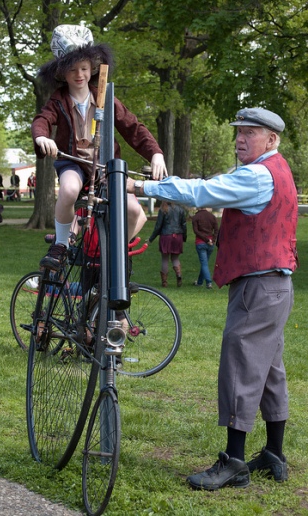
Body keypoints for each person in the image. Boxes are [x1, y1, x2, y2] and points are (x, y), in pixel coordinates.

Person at [127, 108, 298, 489]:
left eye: (250, 133)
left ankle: (234, 461)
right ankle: (273, 453)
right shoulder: (278, 169)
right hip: (275, 285)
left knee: (239, 363)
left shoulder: (257, 175)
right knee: (270, 369)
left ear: (271, 140)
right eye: (238, 131)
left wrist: (142, 187)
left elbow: (201, 191)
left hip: (259, 285)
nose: (240, 139)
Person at [32, 24, 167, 271]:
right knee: (70, 189)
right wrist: (43, 137)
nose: (79, 74)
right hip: (73, 162)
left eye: (84, 68)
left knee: (135, 211)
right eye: (72, 69)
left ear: (92, 68)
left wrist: (155, 153)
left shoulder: (105, 95)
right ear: (62, 73)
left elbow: (133, 127)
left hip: (104, 166)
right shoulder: (58, 99)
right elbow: (42, 120)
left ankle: (108, 255)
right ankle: (61, 245)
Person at [147, 202, 187, 287]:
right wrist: (184, 237)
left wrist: (151, 239)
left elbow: (158, 226)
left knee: (165, 259)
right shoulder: (180, 209)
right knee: (175, 258)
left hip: (166, 235)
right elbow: (184, 224)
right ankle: (178, 274)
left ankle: (164, 282)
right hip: (178, 235)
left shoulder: (163, 209)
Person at [191, 208, 219, 289]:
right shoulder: (212, 216)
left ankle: (208, 282)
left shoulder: (196, 217)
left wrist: (206, 240)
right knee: (205, 263)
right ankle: (200, 282)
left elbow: (196, 231)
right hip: (210, 243)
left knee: (204, 264)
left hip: (200, 243)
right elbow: (216, 229)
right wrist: (213, 240)